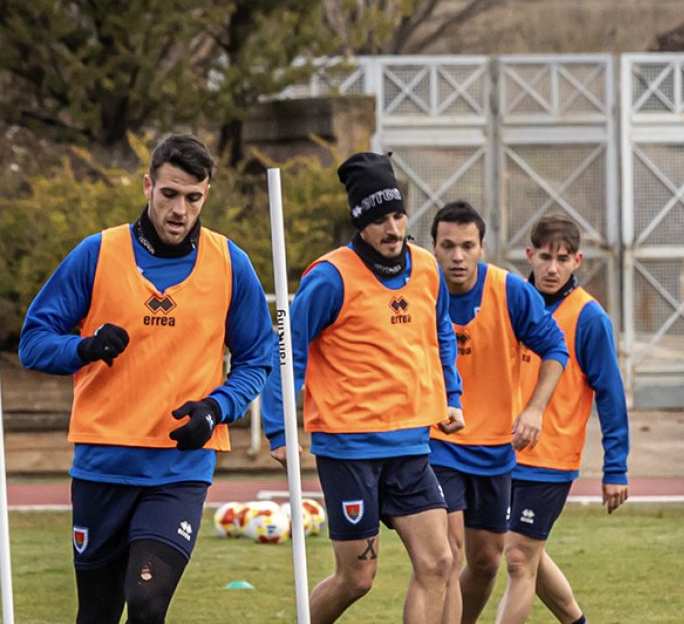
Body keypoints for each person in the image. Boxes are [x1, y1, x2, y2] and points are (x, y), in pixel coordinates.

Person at [18, 134, 274, 624]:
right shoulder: (96, 254)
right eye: (169, 194)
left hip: (179, 470)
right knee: (97, 610)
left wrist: (216, 408)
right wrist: (84, 348)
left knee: (147, 600)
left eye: (193, 198)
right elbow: (33, 341)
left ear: (206, 195)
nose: (180, 210)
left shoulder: (229, 263)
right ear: (147, 186)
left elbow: (257, 359)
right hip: (102, 464)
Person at [261, 152, 464, 624]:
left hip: (411, 445)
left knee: (440, 562)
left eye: (397, 216)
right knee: (357, 578)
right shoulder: (331, 277)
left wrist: (450, 396)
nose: (392, 229)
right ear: (359, 223)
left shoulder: (428, 268)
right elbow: (288, 351)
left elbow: (443, 332)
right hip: (349, 449)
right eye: (378, 220)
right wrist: (279, 430)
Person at [428, 201, 569, 624]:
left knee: (487, 560)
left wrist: (536, 409)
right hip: (438, 444)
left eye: (467, 246)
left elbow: (555, 350)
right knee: (448, 556)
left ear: (482, 248)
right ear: (432, 248)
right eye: (447, 245)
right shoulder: (418, 290)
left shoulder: (509, 291)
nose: (457, 256)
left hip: (494, 450)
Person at [493, 214, 629, 624]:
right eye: (546, 257)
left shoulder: (589, 318)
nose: (553, 268)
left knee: (517, 559)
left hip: (551, 461)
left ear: (578, 261)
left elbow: (610, 394)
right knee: (524, 554)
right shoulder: (512, 302)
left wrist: (616, 467)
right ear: (529, 255)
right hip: (500, 453)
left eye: (563, 259)